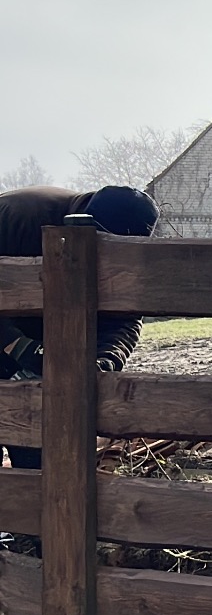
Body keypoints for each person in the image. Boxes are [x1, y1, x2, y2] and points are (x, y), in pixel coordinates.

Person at [0, 185, 158, 469]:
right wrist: (17, 345)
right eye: (100, 240)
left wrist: (104, 361)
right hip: (13, 338)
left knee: (40, 463)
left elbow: (124, 318)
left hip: (41, 361)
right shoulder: (17, 216)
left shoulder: (121, 256)